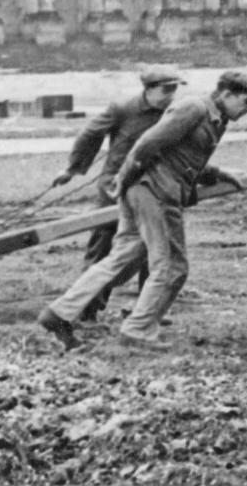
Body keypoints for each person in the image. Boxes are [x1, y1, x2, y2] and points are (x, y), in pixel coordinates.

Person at [39, 70, 247, 351]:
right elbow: (147, 143)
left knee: (123, 258)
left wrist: (217, 173)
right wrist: (123, 179)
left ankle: (60, 313)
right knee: (171, 266)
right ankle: (138, 331)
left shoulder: (215, 120)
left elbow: (182, 159)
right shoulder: (193, 108)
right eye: (246, 102)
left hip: (149, 190)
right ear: (226, 94)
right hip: (155, 192)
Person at [50, 65, 185, 322]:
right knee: (102, 248)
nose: (171, 94)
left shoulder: (173, 113)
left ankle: (146, 310)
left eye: (175, 89)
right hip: (115, 188)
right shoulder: (123, 108)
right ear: (149, 89)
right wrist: (73, 169)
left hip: (153, 186)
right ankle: (84, 311)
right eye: (166, 89)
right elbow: (90, 134)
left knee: (154, 249)